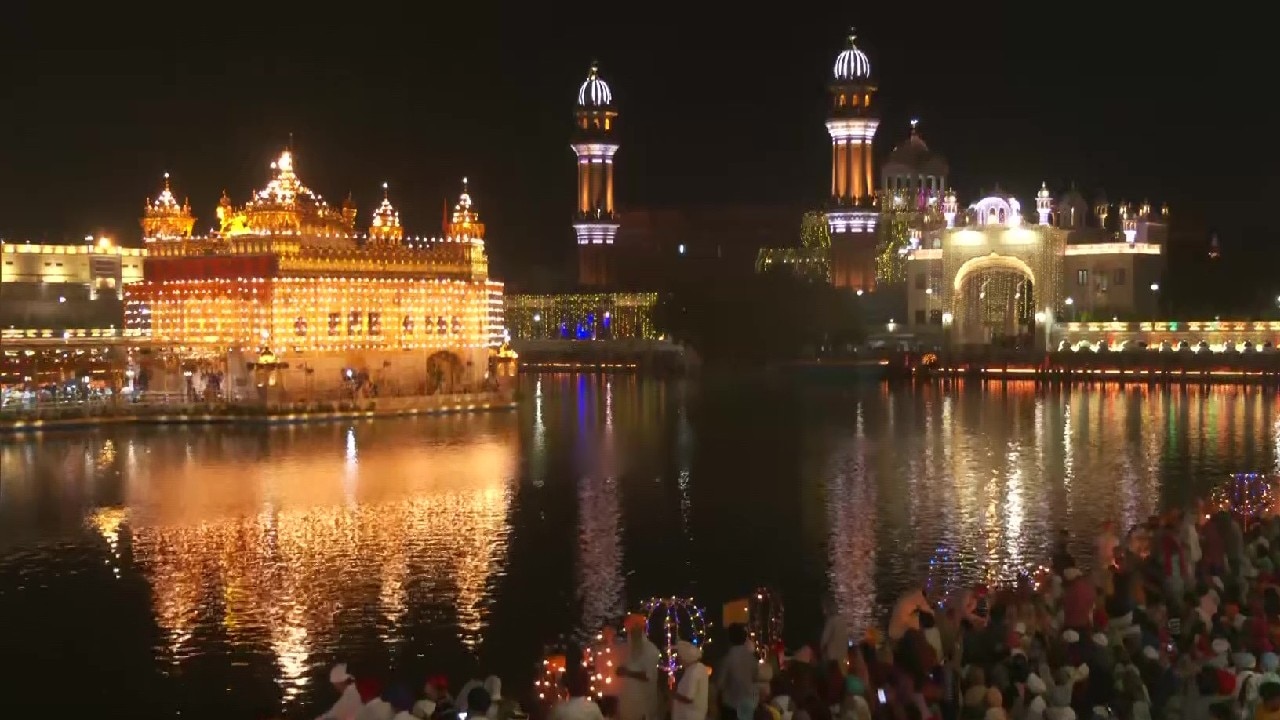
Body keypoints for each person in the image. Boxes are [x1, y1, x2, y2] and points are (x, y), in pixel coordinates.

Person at [619, 616, 662, 720]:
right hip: (629, 705)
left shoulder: (650, 650)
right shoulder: (631, 649)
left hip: (644, 706)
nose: (629, 634)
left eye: (632, 631)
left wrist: (627, 672)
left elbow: (648, 676)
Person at [719, 624, 759, 720]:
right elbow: (755, 678)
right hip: (749, 703)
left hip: (731, 705)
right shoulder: (752, 659)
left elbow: (720, 683)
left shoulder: (727, 659)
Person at [672, 641, 709, 720]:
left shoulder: (694, 672)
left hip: (690, 715)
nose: (678, 659)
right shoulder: (699, 667)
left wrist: (673, 695)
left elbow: (689, 698)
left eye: (679, 656)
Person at [820, 597, 850, 670]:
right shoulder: (844, 621)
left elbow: (824, 640)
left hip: (832, 659)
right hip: (843, 658)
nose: (823, 612)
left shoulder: (831, 621)